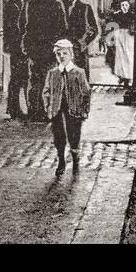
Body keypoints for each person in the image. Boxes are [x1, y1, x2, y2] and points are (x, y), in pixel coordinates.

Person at [22, 0, 69, 122]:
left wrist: (29, 46)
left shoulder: (32, 2)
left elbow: (27, 26)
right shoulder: (56, 3)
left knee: (35, 80)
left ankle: (34, 110)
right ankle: (47, 111)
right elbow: (63, 28)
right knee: (49, 81)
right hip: (50, 50)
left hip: (35, 50)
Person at [43, 39, 91, 177]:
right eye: (59, 54)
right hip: (57, 109)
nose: (62, 56)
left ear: (71, 54)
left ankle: (75, 156)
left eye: (65, 53)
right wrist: (48, 107)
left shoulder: (78, 72)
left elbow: (86, 92)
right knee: (59, 135)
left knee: (74, 133)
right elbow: (46, 91)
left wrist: (85, 109)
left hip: (74, 108)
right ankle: (61, 161)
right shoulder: (53, 73)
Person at [2, 0, 33, 119]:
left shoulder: (18, 3)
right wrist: (22, 46)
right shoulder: (15, 4)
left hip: (17, 47)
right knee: (17, 78)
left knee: (18, 78)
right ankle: (14, 109)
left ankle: (14, 108)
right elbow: (15, 29)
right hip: (18, 48)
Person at [62, 0, 99, 74]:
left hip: (79, 52)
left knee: (80, 80)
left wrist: (82, 43)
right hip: (63, 51)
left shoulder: (85, 8)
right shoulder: (59, 7)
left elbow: (94, 29)